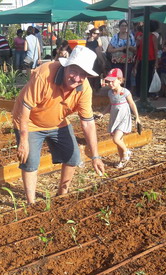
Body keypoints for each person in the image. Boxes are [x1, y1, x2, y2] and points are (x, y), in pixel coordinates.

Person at [12, 46, 105, 205]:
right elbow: (25, 107)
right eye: (74, 71)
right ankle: (31, 203)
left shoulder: (84, 89)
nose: (77, 78)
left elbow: (88, 123)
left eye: (83, 74)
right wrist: (23, 141)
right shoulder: (44, 74)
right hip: (31, 122)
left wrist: (95, 156)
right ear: (66, 66)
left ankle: (62, 196)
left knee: (73, 157)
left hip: (58, 122)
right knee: (30, 161)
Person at [102, 68, 140, 169]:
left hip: (123, 118)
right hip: (115, 118)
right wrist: (103, 113)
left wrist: (137, 117)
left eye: (112, 81)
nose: (110, 83)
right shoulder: (110, 93)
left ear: (120, 80)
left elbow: (132, 104)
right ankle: (122, 159)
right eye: (108, 81)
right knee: (119, 141)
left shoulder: (125, 92)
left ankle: (126, 152)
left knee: (116, 139)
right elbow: (110, 105)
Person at [107, 20, 137, 92]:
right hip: (117, 61)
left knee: (127, 77)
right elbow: (109, 50)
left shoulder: (130, 37)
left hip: (128, 61)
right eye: (122, 26)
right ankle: (117, 91)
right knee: (117, 77)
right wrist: (120, 48)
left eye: (125, 26)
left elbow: (135, 49)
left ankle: (126, 93)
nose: (124, 27)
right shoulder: (115, 37)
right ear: (119, 27)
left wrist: (129, 47)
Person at [135, 20, 160, 97]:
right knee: (138, 76)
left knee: (149, 77)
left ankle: (147, 93)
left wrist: (156, 62)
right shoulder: (142, 36)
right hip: (141, 59)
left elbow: (156, 49)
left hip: (150, 59)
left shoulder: (153, 37)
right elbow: (138, 49)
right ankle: (139, 93)